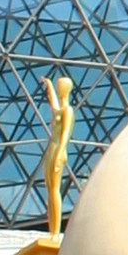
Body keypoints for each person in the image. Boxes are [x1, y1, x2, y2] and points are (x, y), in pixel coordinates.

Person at [41, 76, 74, 238]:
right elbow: (53, 104)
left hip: (58, 150)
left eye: (60, 86)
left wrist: (61, 152)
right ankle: (51, 229)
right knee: (49, 189)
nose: (59, 88)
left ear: (67, 89)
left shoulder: (68, 111)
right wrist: (48, 84)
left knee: (55, 190)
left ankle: (55, 232)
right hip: (50, 149)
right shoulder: (59, 110)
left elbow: (66, 133)